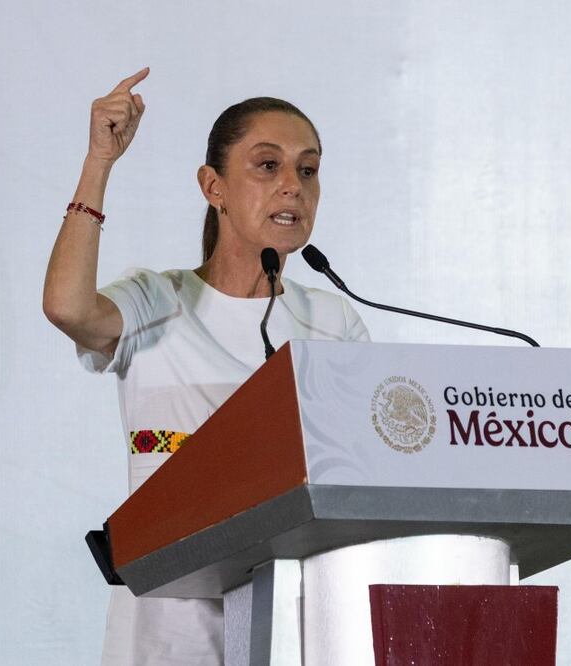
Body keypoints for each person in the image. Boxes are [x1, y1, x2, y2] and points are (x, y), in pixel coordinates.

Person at [43, 67, 370, 665]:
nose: (293, 186)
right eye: (267, 165)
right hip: (167, 637)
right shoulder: (156, 301)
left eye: (308, 169)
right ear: (213, 186)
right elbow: (67, 308)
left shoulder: (333, 324)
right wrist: (99, 162)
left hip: (294, 629)